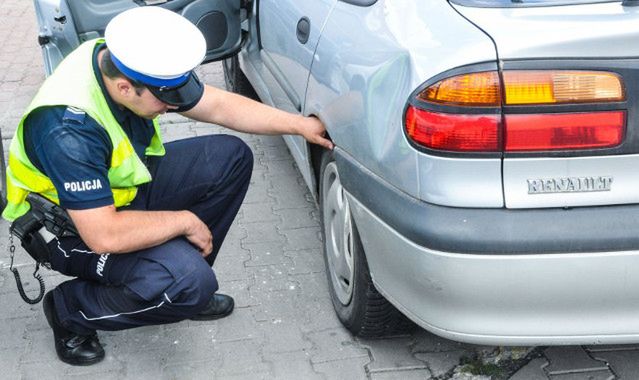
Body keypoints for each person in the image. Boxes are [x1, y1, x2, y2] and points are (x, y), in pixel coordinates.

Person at [2, 6, 332, 366]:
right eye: (164, 99)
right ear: (126, 88)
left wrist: (299, 125)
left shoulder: (119, 59)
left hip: (117, 196)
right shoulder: (68, 131)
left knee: (230, 158)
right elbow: (103, 235)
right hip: (68, 230)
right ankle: (71, 309)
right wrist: (184, 221)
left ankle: (177, 275)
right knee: (188, 284)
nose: (171, 107)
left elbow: (217, 105)